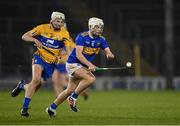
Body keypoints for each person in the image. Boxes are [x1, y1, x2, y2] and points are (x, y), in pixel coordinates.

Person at [45, 17, 114, 118]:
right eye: (97, 27)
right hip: (72, 63)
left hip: (81, 66)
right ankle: (73, 98)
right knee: (91, 79)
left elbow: (108, 51)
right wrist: (90, 65)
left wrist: (109, 55)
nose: (100, 29)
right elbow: (79, 55)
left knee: (68, 90)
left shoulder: (102, 39)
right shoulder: (82, 37)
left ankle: (51, 108)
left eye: (101, 27)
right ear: (91, 27)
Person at [11, 11, 72, 117]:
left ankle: (23, 86)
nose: (59, 23)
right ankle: (24, 109)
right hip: (39, 57)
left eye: (61, 21)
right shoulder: (42, 28)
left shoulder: (64, 34)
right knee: (36, 80)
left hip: (51, 63)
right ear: (51, 20)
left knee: (36, 85)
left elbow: (69, 49)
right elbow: (24, 36)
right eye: (57, 21)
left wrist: (70, 57)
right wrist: (34, 39)